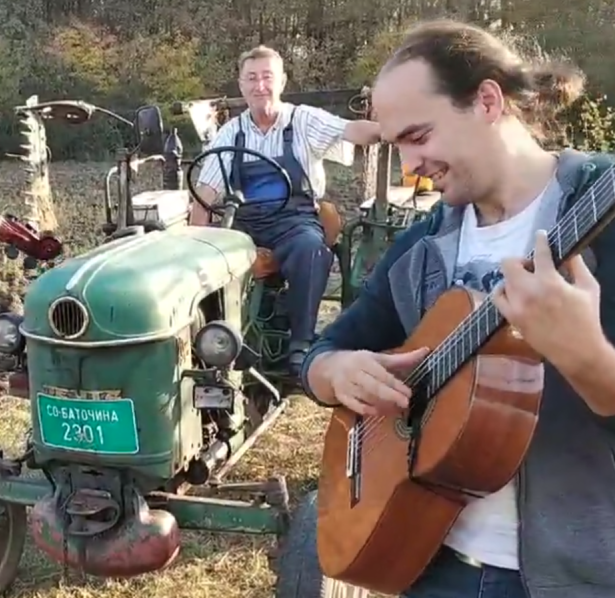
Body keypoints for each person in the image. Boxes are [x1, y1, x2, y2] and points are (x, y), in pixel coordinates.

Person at [302, 19, 615, 598]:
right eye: (396, 145)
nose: (409, 165)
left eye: (418, 136)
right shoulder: (423, 247)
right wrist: (335, 372)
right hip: (431, 560)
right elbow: (321, 351)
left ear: (488, 101)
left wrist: (593, 363)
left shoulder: (600, 209)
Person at [189, 45, 381, 375]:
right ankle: (226, 341)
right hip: (246, 224)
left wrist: (388, 131)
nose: (260, 85)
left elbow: (349, 130)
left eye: (267, 77)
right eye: (252, 78)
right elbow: (205, 194)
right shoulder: (230, 133)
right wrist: (196, 245)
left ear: (282, 81)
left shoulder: (303, 120)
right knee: (216, 260)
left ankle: (301, 344)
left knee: (311, 250)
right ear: (241, 85)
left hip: (296, 221)